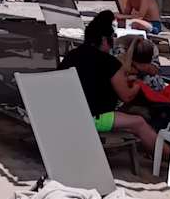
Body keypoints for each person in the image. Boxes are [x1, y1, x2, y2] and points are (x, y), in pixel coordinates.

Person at [60, 11, 158, 154]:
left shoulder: (72, 55)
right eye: (112, 38)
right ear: (104, 40)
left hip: (67, 113)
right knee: (139, 122)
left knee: (127, 115)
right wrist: (137, 85)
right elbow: (127, 96)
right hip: (93, 118)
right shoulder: (109, 62)